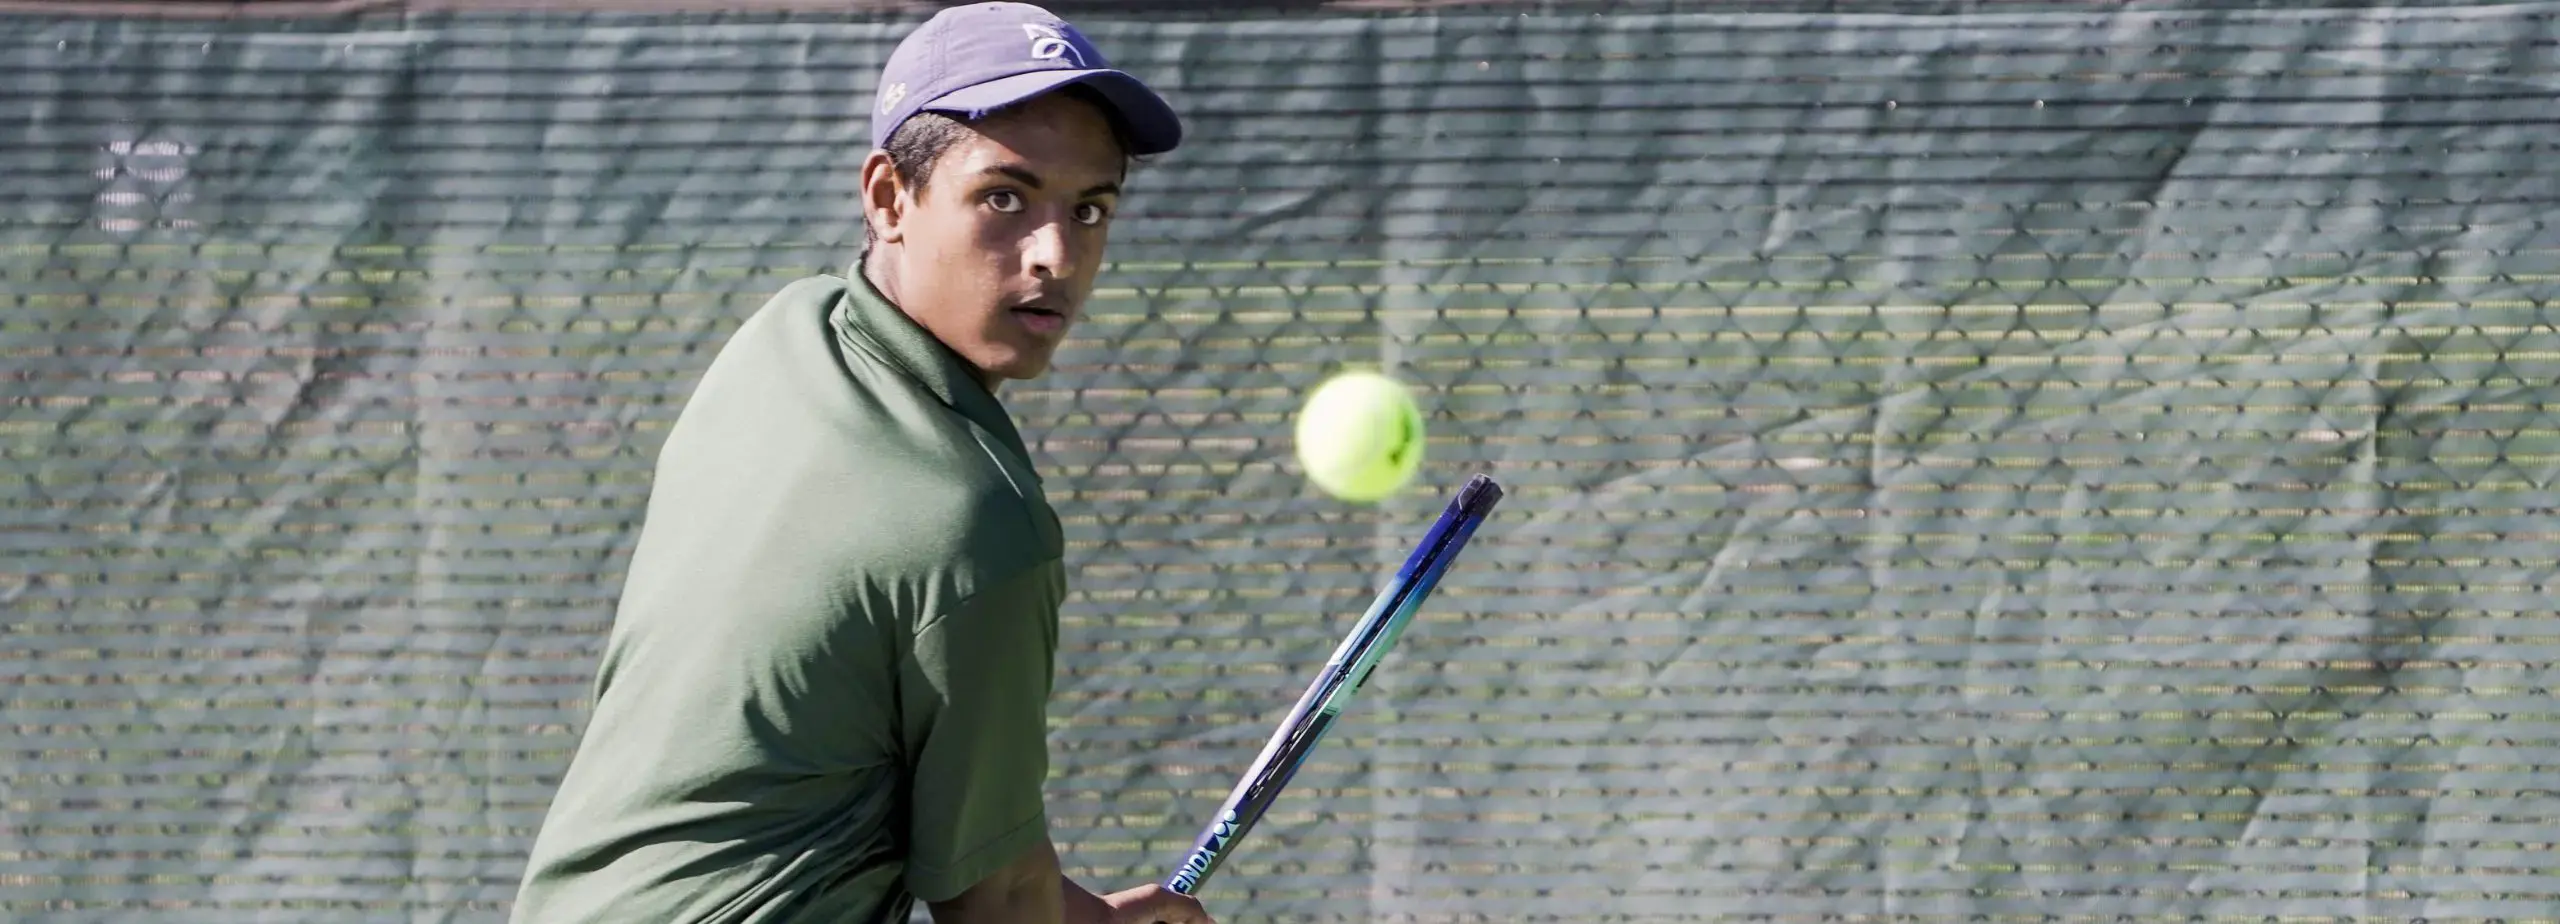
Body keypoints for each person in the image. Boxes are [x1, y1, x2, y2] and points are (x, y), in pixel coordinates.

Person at [507, 4, 1215, 923]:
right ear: (888, 198)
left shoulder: (783, 338)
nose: (1056, 255)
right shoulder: (979, 527)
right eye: (1005, 197)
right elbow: (994, 905)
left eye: (1089, 209)